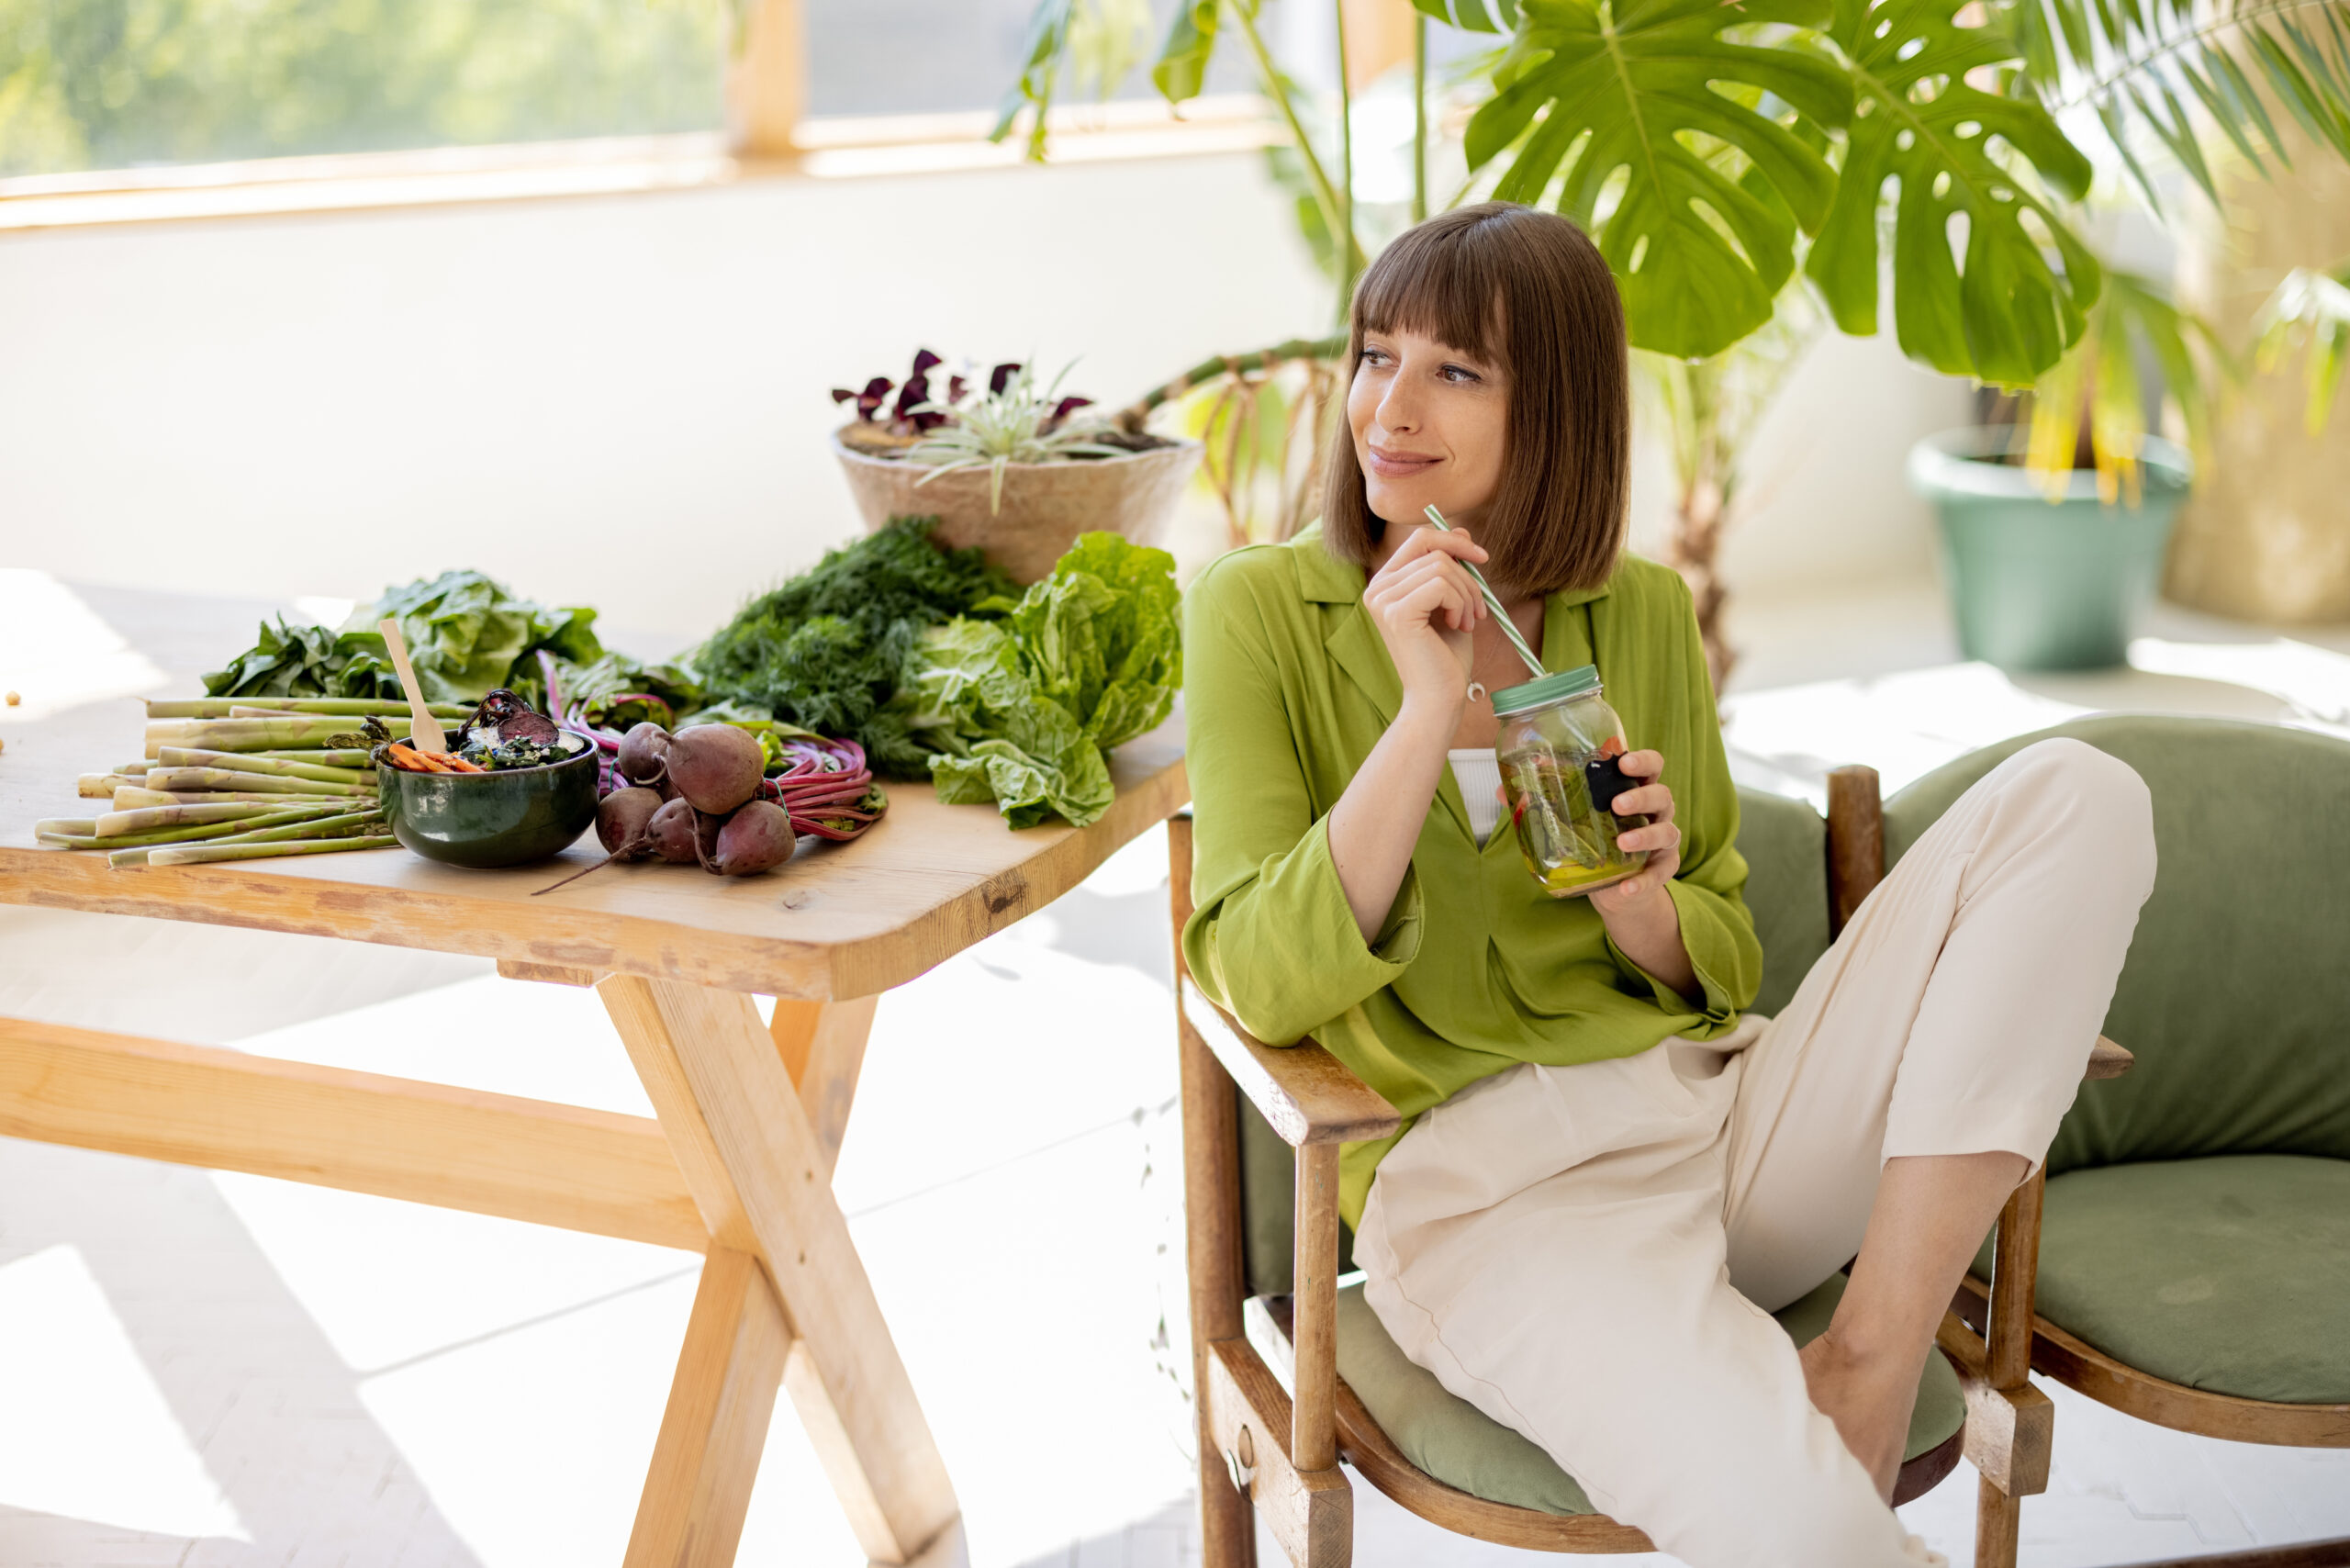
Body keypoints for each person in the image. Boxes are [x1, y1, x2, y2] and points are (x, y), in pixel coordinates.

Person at [1179, 201, 2157, 1567]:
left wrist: (1639, 899)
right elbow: (1253, 974)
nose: (1387, 407)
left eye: (1456, 369)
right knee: (1804, 1527)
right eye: (1374, 352)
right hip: (1497, 1205)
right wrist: (1421, 717)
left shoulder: (1636, 610)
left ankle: (1866, 1358)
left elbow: (1726, 958)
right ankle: (1808, 1442)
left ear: (1561, 407)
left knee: (2081, 795)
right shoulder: (1259, 612)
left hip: (1722, 1120)